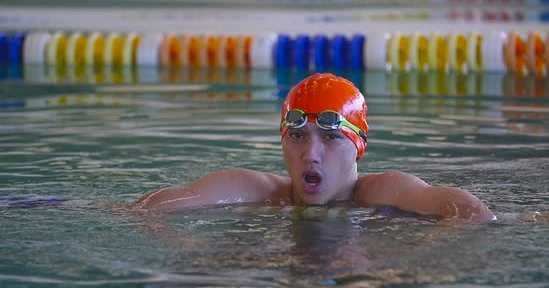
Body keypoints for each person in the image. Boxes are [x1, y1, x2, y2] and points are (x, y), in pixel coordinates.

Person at [131, 73, 496, 222]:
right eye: (298, 135)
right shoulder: (255, 190)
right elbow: (146, 208)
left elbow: (470, 212)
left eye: (332, 137)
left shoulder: (384, 193)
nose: (311, 153)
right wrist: (189, 252)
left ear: (359, 145)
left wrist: (415, 258)